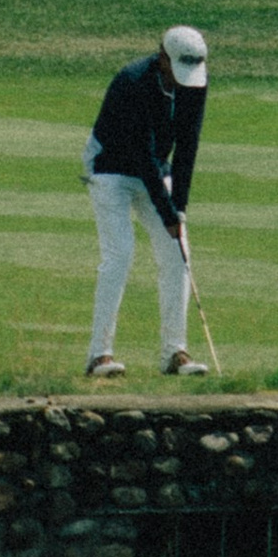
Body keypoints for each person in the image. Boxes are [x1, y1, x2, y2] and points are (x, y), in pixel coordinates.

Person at [85, 25, 209, 377]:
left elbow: (188, 146)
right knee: (119, 254)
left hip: (156, 167)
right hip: (111, 168)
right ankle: (99, 356)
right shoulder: (133, 83)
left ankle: (175, 353)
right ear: (162, 58)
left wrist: (178, 209)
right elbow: (142, 155)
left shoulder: (196, 80)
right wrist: (167, 210)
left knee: (177, 251)